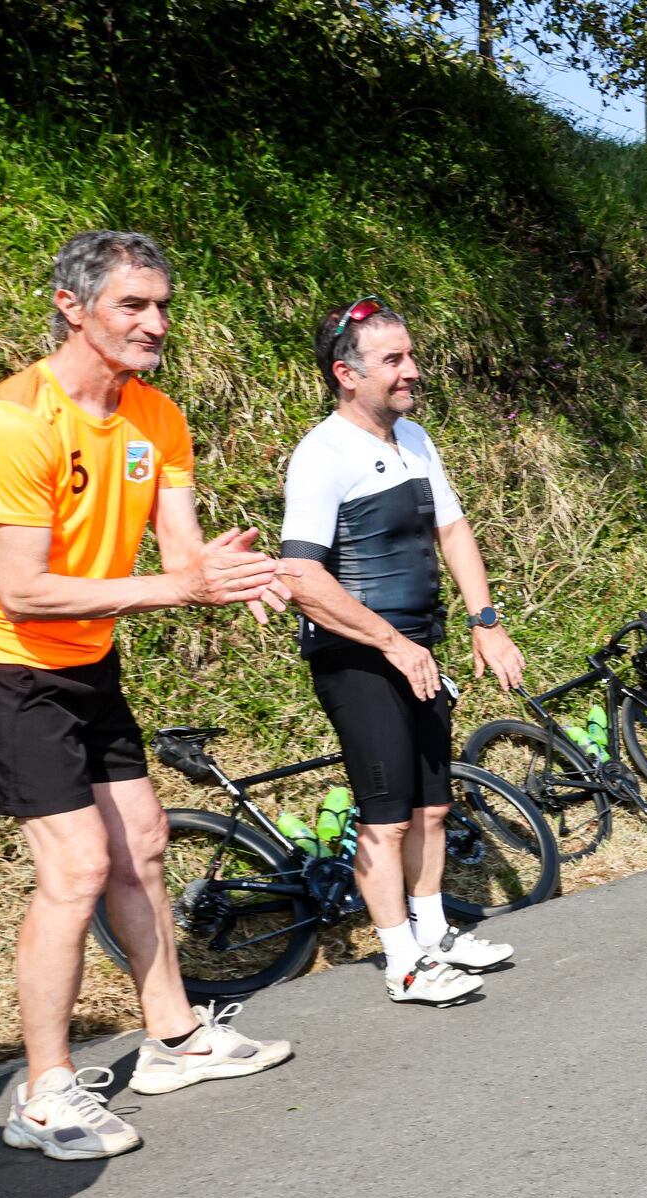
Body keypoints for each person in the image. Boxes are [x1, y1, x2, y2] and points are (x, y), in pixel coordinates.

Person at [0, 230, 292, 1160]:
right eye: (133, 305)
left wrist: (227, 574)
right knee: (78, 867)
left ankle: (171, 1036)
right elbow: (24, 588)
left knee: (145, 841)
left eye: (162, 304)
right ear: (71, 305)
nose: (155, 322)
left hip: (83, 653)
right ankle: (43, 1091)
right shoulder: (17, 420)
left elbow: (181, 558)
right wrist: (181, 587)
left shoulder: (156, 418)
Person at [279, 297, 520, 1006]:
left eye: (410, 355)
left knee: (433, 808)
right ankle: (403, 962)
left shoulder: (413, 437)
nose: (412, 370)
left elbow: (453, 529)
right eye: (394, 360)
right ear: (346, 374)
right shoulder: (321, 455)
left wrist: (485, 619)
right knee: (385, 817)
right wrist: (389, 642)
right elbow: (302, 577)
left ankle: (436, 933)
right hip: (357, 657)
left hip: (419, 649)